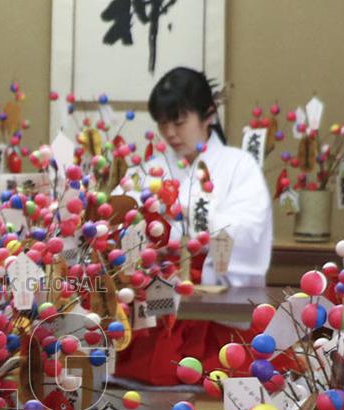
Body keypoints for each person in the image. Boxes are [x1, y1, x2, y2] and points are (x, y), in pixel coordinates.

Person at [113, 67, 275, 385]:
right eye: (162, 123)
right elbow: (120, 217)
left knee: (227, 372)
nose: (170, 132)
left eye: (179, 121)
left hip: (213, 295)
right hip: (157, 296)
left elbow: (248, 227)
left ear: (208, 115)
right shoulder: (149, 170)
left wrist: (186, 219)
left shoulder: (238, 165)